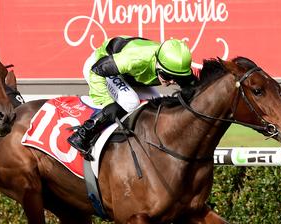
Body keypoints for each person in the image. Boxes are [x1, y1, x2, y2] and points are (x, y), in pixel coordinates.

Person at [68, 37, 196, 160]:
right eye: (167, 76)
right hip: (99, 67)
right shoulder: (136, 59)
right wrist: (107, 102)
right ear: (157, 64)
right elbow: (96, 70)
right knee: (130, 101)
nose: (172, 81)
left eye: (176, 77)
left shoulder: (177, 67)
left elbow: (194, 90)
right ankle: (83, 134)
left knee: (157, 103)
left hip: (129, 75)